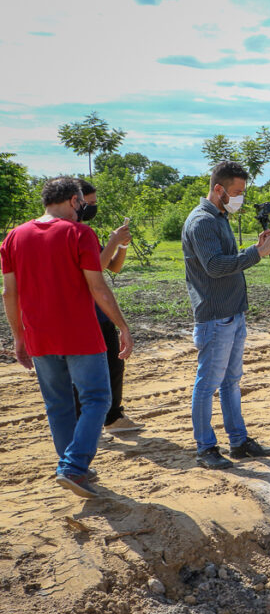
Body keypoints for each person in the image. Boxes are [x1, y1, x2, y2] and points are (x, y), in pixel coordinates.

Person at [1, 177, 133, 497]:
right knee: (98, 399)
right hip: (79, 333)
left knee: (58, 404)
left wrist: (19, 337)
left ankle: (73, 467)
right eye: (82, 204)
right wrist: (122, 326)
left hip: (39, 335)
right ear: (74, 201)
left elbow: (9, 293)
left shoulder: (14, 236)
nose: (84, 209)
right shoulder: (80, 233)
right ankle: (74, 467)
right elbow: (98, 286)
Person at [182, 160, 270, 469]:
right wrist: (257, 254)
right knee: (208, 383)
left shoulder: (219, 217)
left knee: (231, 382)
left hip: (233, 312)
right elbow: (214, 267)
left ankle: (238, 441)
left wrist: (254, 248)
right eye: (237, 191)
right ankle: (206, 447)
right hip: (215, 315)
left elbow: (226, 258)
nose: (241, 197)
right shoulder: (201, 221)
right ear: (218, 189)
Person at [74, 178, 143, 434]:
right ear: (76, 201)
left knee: (114, 364)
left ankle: (113, 416)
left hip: (100, 312)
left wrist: (121, 245)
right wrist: (114, 241)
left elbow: (113, 266)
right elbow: (97, 268)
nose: (92, 208)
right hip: (85, 313)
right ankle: (88, 422)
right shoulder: (76, 235)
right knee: (85, 372)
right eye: (89, 203)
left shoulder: (86, 233)